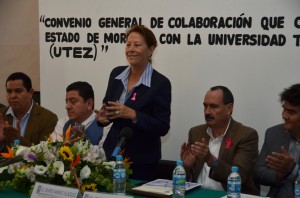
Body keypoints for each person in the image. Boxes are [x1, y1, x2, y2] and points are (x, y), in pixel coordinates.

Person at [95, 25, 171, 181]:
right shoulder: (116, 74)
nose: (131, 49)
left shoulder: (160, 83)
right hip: (113, 154)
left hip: (142, 160)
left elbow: (162, 126)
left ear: (150, 50)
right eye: (128, 44)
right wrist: (103, 118)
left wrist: (134, 115)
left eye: (137, 45)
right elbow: (108, 107)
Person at [180, 86, 259, 195]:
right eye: (205, 106)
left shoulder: (246, 135)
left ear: (229, 108)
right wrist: (186, 166)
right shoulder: (196, 132)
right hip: (198, 194)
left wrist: (210, 159)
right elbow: (187, 179)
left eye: (213, 106)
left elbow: (239, 176)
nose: (207, 112)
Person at [253, 83, 300, 198]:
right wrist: (279, 175)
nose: (284, 116)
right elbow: (257, 173)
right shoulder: (273, 133)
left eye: (291, 112)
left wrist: (292, 169)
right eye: (284, 110)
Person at [0, 72, 58, 150]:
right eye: (9, 91)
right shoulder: (1, 115)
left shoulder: (48, 118)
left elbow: (45, 154)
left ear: (30, 92)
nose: (12, 96)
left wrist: (18, 139)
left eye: (18, 91)